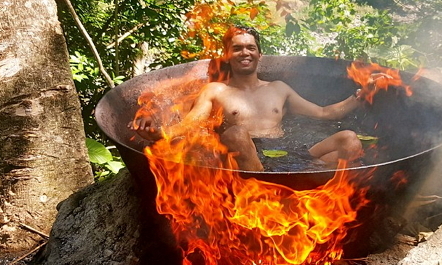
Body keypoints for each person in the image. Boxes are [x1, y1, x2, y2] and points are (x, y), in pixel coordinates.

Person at [132, 25, 372, 171]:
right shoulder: (215, 90)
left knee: (349, 140)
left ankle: (316, 193)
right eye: (237, 48)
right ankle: (267, 193)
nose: (244, 52)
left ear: (259, 54)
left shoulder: (279, 88)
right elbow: (189, 125)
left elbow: (323, 113)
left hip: (287, 150)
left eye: (250, 47)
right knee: (235, 133)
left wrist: (359, 97)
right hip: (245, 156)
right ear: (227, 55)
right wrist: (159, 134)